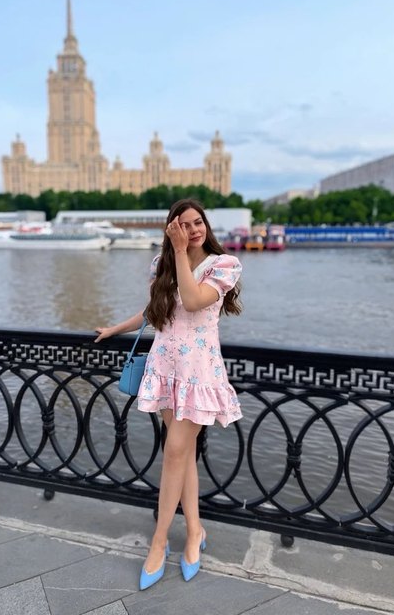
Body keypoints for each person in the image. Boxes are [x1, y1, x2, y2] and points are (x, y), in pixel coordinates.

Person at [95, 198, 242, 589]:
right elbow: (154, 312)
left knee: (175, 450)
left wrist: (179, 253)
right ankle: (194, 531)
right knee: (183, 455)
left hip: (199, 374)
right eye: (184, 225)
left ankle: (159, 541)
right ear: (172, 228)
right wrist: (114, 330)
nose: (193, 231)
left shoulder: (223, 265)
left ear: (206, 225)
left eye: (198, 223)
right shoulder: (161, 264)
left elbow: (192, 302)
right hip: (164, 369)